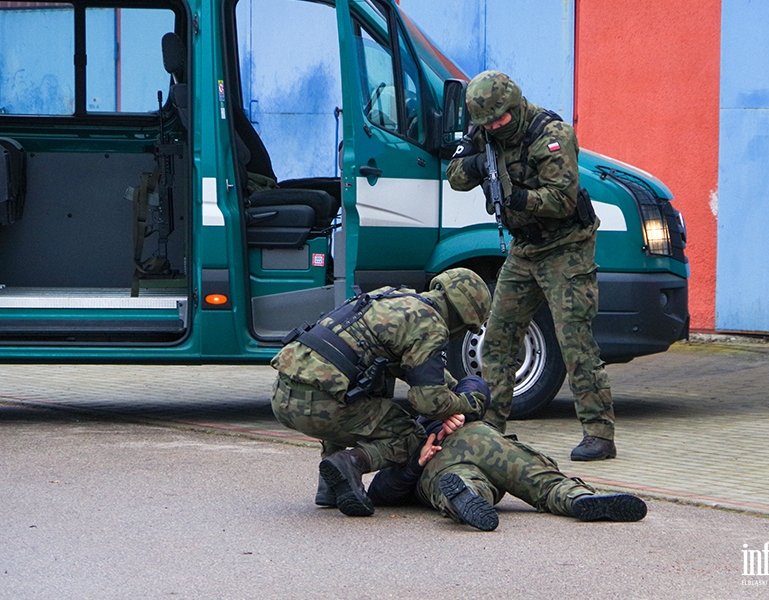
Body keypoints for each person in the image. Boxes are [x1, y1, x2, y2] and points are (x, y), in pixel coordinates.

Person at [446, 70, 616, 461]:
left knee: (575, 342)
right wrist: (475, 165)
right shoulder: (484, 132)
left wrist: (519, 199)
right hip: (524, 249)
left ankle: (599, 433)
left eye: (501, 119)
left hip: (566, 247)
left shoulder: (550, 134)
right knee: (498, 339)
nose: (496, 127)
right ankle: (489, 428)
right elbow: (455, 177)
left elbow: (562, 200)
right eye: (488, 123)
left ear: (515, 103)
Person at [269, 268, 492, 517]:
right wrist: (464, 404)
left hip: (283, 397)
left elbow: (411, 366)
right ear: (461, 318)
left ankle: (329, 486)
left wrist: (449, 387)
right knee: (410, 435)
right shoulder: (432, 325)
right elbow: (429, 403)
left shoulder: (392, 298)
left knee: (356, 393)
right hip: (320, 407)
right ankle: (351, 463)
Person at [367, 398, 647, 531]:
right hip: (481, 439)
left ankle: (463, 499)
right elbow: (476, 389)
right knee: (541, 481)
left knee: (460, 488)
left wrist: (416, 464)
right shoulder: (445, 404)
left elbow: (380, 493)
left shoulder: (400, 446)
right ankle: (578, 500)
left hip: (439, 467)